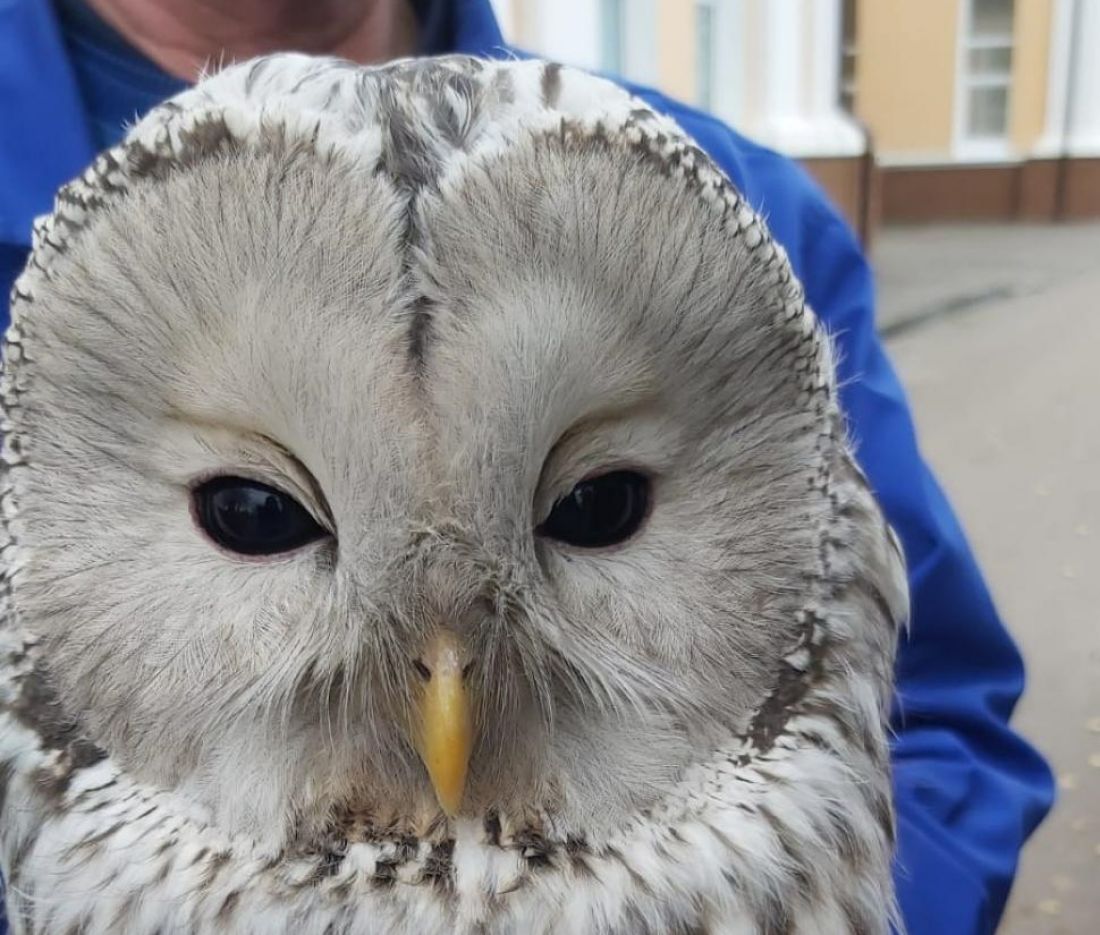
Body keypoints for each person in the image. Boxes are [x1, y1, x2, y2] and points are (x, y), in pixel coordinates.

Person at [0, 1, 1054, 932]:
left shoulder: (740, 206)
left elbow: (942, 704)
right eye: (252, 512)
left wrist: (794, 894)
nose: (442, 681)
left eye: (598, 505)